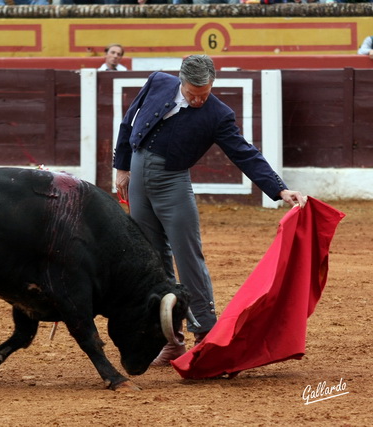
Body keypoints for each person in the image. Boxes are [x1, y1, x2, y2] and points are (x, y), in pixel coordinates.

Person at [113, 54, 307, 366]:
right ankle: (170, 339)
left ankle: (205, 334)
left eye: (204, 94)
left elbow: (245, 153)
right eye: (191, 94)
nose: (198, 99)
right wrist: (121, 166)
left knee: (188, 256)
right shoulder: (158, 82)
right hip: (137, 179)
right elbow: (129, 120)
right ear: (180, 81)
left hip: (172, 183)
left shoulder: (218, 114)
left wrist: (279, 188)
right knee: (150, 259)